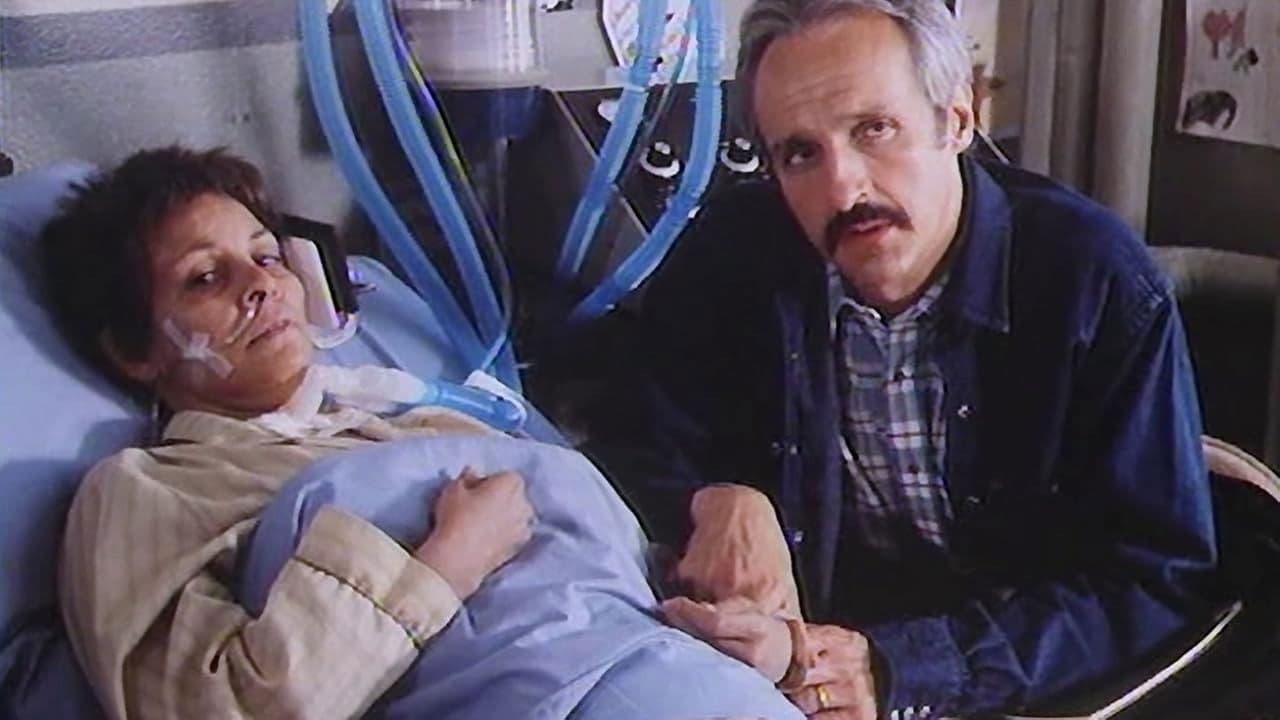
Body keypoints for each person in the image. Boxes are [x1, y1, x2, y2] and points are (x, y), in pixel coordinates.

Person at [580, 1, 1221, 718]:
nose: (843, 188)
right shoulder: (732, 256)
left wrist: (897, 670)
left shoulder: (1092, 281)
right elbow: (624, 445)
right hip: (797, 672)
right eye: (800, 154)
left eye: (873, 129)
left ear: (957, 119)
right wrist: (718, 499)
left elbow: (1156, 583)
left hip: (1030, 686)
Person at [43, 146, 806, 719]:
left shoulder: (429, 424)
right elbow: (217, 708)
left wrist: (765, 647)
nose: (263, 285)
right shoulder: (152, 491)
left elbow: (620, 586)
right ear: (134, 350)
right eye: (206, 278)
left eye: (266, 256)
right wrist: (441, 567)